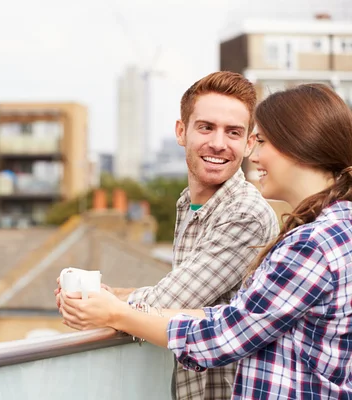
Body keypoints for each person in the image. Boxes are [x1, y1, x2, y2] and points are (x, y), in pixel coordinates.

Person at [59, 83, 352, 399]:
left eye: (261, 141)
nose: (254, 154)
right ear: (181, 131)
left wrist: (115, 312)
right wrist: (111, 299)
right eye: (206, 128)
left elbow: (224, 334)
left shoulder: (312, 243)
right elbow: (231, 313)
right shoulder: (335, 228)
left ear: (299, 145)